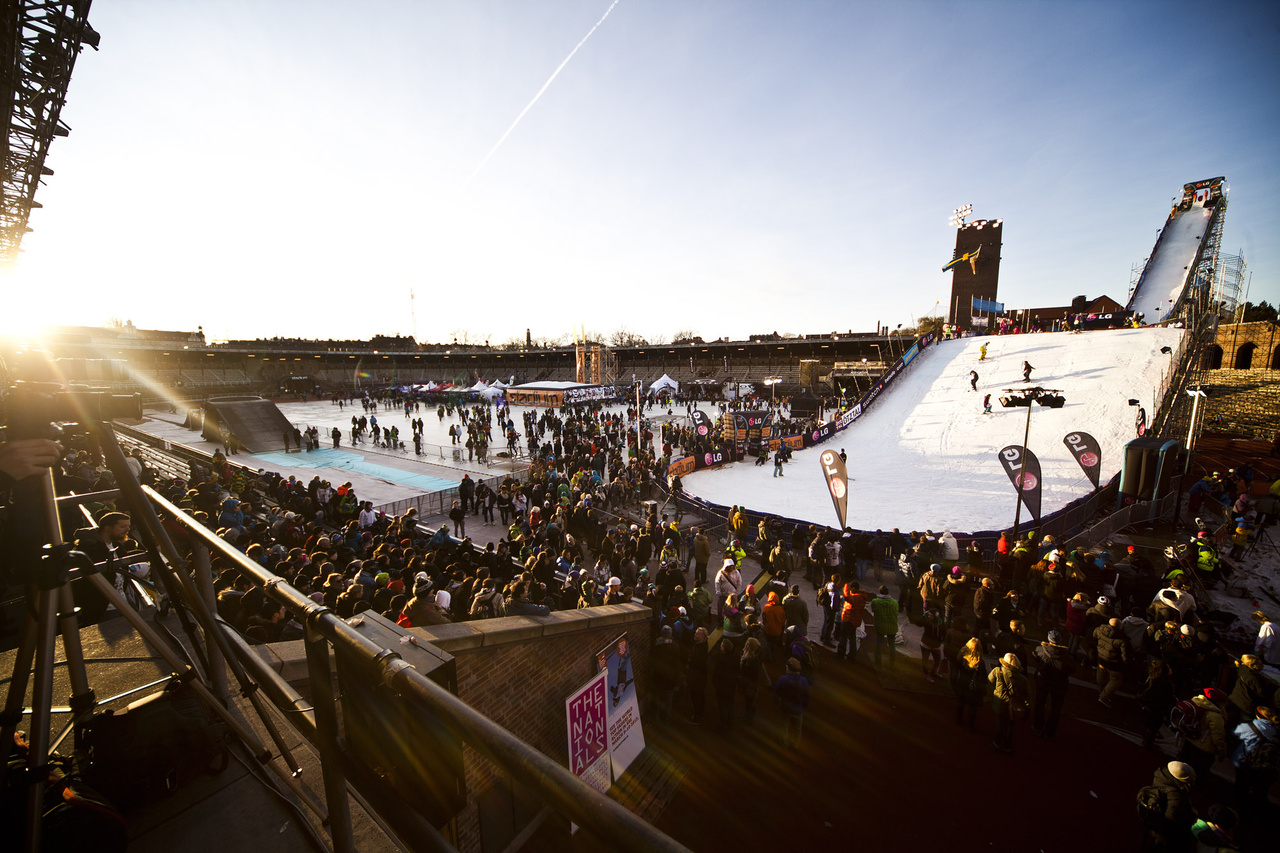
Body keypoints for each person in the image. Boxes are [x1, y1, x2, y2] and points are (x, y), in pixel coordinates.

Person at [1138, 761, 1197, 853]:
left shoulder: (1161, 777)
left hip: (1153, 829)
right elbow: (1172, 820)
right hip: (1165, 838)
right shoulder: (1175, 797)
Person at [1031, 630, 1076, 739]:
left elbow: (1035, 656)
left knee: (1040, 704)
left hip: (1043, 682)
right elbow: (1072, 669)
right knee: (1056, 709)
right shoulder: (1067, 657)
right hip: (1059, 685)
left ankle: (1038, 726)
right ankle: (1050, 731)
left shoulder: (1040, 650)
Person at [1178, 687, 1229, 781]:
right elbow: (1218, 737)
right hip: (1203, 749)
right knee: (1197, 774)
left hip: (1189, 742)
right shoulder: (1215, 716)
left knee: (1181, 769)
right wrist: (1222, 752)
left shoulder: (1198, 704)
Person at [989, 652, 1028, 754]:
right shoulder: (1023, 679)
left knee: (1000, 723)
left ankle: (997, 743)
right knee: (1010, 725)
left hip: (1001, 703)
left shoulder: (997, 671)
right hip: (1014, 705)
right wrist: (1027, 708)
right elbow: (1026, 695)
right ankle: (1007, 746)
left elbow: (990, 680)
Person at [772, 657, 810, 751]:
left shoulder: (782, 679)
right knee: (797, 729)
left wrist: (777, 702)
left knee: (784, 726)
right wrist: (804, 706)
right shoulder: (803, 681)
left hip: (785, 708)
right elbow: (807, 696)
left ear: (788, 668)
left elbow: (776, 693)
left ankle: (783, 743)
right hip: (798, 710)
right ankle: (795, 745)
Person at [954, 638, 987, 732]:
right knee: (973, 706)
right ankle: (971, 725)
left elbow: (957, 667)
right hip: (972, 686)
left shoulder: (962, 657)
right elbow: (984, 677)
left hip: (962, 682)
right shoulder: (980, 662)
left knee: (961, 702)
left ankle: (959, 719)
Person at [870, 584, 899, 669]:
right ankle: (892, 662)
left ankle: (877, 661)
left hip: (880, 626)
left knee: (879, 643)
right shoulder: (895, 602)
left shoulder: (875, 602)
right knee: (892, 645)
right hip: (892, 626)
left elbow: (873, 610)